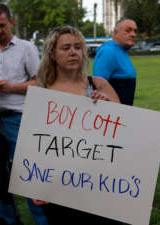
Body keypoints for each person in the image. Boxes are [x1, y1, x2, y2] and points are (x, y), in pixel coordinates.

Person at [33, 25, 120, 225]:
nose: (73, 52)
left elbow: (125, 132)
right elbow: (35, 143)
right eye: (65, 48)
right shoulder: (42, 92)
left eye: (78, 47)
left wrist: (108, 106)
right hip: (60, 188)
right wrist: (35, 185)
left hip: (101, 183)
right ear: (52, 54)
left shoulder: (99, 84)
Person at [0, 3, 46, 225]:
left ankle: (42, 219)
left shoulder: (27, 48)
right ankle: (5, 221)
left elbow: (39, 84)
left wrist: (10, 87)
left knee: (27, 173)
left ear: (11, 22)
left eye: (2, 25)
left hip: (17, 117)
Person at [93, 18, 137, 106]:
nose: (133, 34)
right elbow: (98, 83)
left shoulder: (120, 50)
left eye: (135, 31)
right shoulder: (109, 51)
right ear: (116, 33)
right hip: (114, 115)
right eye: (128, 31)